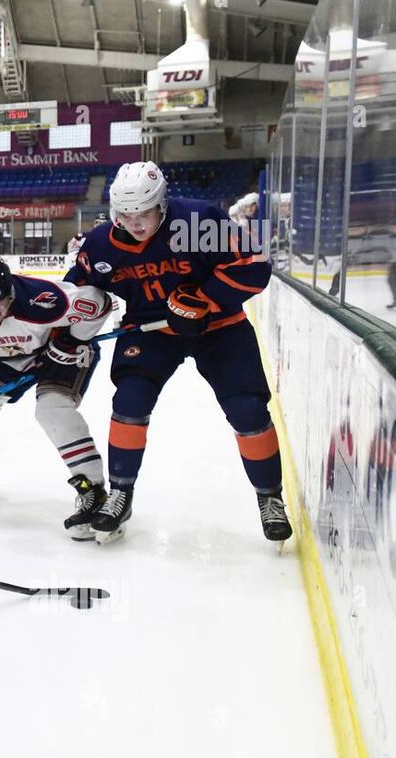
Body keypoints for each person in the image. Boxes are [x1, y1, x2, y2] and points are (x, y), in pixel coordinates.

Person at [65, 161, 292, 543]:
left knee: (248, 410)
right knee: (130, 403)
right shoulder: (103, 243)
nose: (134, 223)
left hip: (218, 326)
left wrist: (204, 298)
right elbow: (78, 288)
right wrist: (61, 325)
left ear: (163, 203)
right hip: (150, 330)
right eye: (125, 214)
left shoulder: (197, 221)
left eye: (144, 213)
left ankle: (270, 498)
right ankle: (121, 492)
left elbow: (254, 267)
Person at [0, 253, 112, 539]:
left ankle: (93, 491)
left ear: (10, 290)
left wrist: (71, 340)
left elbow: (99, 304)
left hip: (62, 355)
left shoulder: (40, 298)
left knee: (51, 410)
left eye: (0, 301)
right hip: (13, 361)